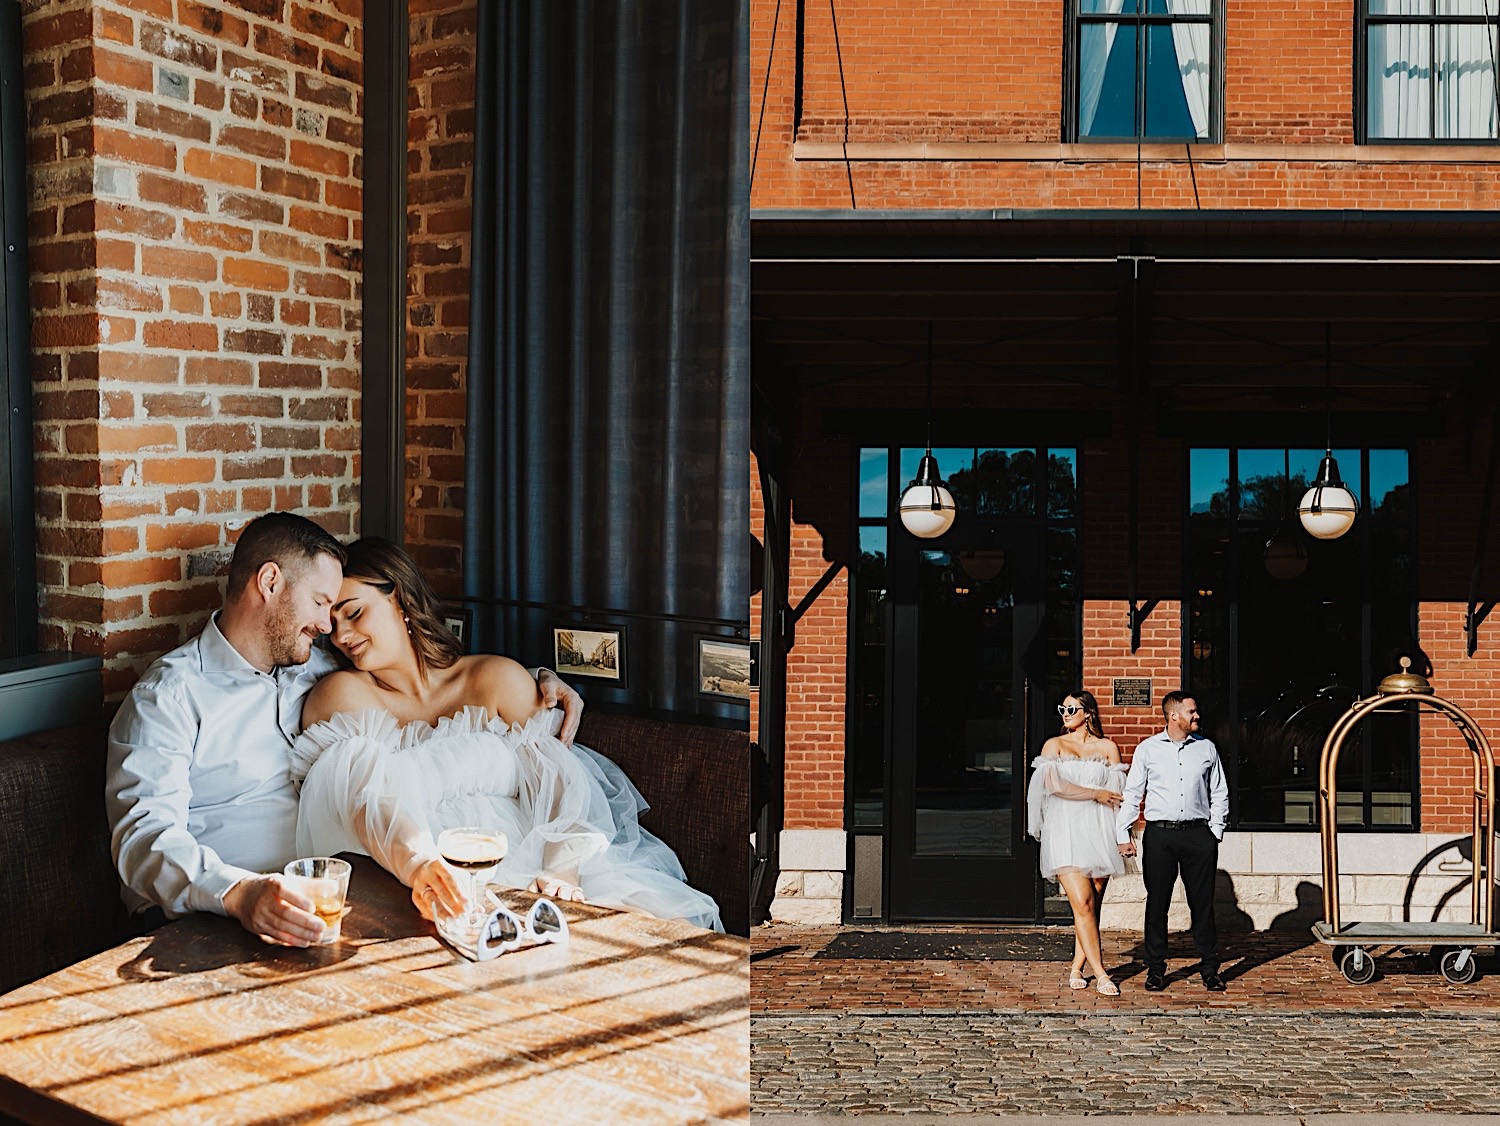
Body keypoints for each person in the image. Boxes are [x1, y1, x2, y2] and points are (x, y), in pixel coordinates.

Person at [106, 513, 582, 947]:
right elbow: (142, 840)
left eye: (337, 611)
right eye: (319, 604)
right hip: (219, 912)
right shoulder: (169, 696)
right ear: (270, 582)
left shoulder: (311, 664)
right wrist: (240, 893)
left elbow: (431, 684)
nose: (327, 627)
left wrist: (544, 681)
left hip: (340, 899)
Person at [291, 536, 724, 932]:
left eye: (354, 612)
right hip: (417, 880)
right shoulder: (342, 698)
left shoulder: (493, 678)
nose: (343, 635)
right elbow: (355, 796)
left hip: (534, 861)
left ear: (400, 598)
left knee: (660, 931)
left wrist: (561, 871)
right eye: (332, 624)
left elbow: (557, 782)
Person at [1115, 691, 1229, 992]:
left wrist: (1213, 832)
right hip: (1160, 835)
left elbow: (1219, 792)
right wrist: (1122, 833)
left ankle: (1209, 969)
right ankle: (1155, 970)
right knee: (1157, 904)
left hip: (1198, 835)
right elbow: (1133, 794)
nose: (1197, 716)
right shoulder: (1148, 750)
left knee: (1202, 905)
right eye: (1192, 712)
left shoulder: (1206, 748)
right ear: (1174, 715)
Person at [1026, 690, 1126, 996]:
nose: (1065, 713)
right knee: (1082, 902)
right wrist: (1094, 793)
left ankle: (1075, 966)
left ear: (1088, 713)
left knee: (1092, 904)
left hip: (1099, 831)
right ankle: (1102, 973)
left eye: (1071, 708)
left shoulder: (1108, 747)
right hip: (1065, 831)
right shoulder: (1054, 746)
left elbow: (1119, 798)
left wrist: (1124, 836)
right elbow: (1054, 786)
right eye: (1062, 708)